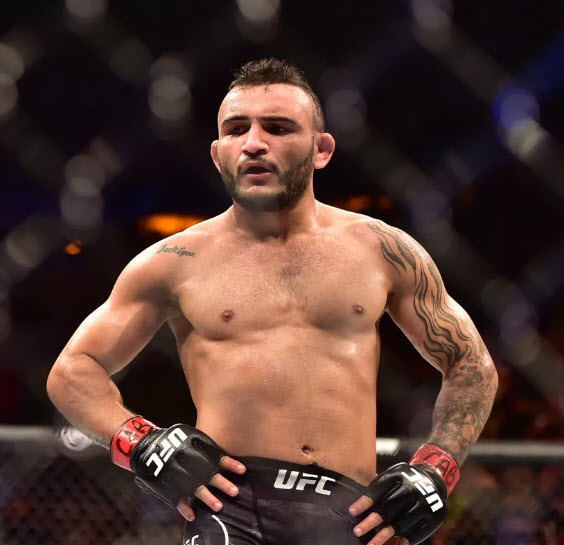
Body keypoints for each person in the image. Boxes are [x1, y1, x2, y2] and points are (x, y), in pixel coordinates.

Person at [47, 58, 498, 545]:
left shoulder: (382, 249)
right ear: (217, 154)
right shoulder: (174, 261)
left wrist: (436, 469)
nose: (254, 143)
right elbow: (72, 371)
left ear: (322, 150)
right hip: (231, 510)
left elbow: (470, 363)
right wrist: (142, 443)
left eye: (278, 128)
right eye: (236, 129)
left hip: (353, 517)